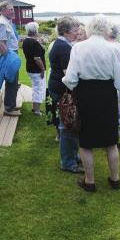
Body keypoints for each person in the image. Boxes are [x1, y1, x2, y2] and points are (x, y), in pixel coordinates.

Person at [62, 16, 120, 192]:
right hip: (107, 96)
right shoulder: (115, 48)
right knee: (111, 142)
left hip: (86, 95)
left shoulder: (78, 47)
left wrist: (65, 79)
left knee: (86, 142)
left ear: (89, 28)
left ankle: (90, 182)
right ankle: (115, 179)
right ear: (106, 29)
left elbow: (70, 80)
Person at [48, 17, 82, 173]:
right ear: (66, 31)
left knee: (70, 124)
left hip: (58, 88)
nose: (78, 33)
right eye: (75, 30)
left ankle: (73, 155)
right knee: (67, 126)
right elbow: (69, 76)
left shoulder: (59, 43)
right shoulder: (64, 48)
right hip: (63, 91)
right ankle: (68, 162)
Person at [0, 1, 21, 116]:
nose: (13, 11)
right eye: (10, 9)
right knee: (11, 81)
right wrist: (9, 61)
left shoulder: (6, 21)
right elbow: (1, 44)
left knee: (13, 82)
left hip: (11, 53)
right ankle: (8, 108)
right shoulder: (2, 23)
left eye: (13, 9)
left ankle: (11, 105)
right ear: (2, 10)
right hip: (9, 54)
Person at [22, 22, 46, 116]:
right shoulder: (34, 43)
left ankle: (34, 108)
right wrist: (43, 69)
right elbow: (37, 58)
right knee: (38, 89)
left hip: (30, 68)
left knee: (35, 87)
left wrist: (39, 43)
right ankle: (37, 111)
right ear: (36, 31)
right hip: (37, 70)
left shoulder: (26, 41)